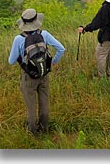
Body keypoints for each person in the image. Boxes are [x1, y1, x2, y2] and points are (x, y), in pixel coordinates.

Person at [8, 8, 65, 136]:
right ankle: (44, 128)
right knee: (44, 102)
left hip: (28, 76)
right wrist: (52, 63)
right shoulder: (44, 34)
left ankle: (33, 132)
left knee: (31, 106)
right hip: (44, 73)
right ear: (36, 21)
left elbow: (11, 61)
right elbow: (61, 49)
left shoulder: (18, 39)